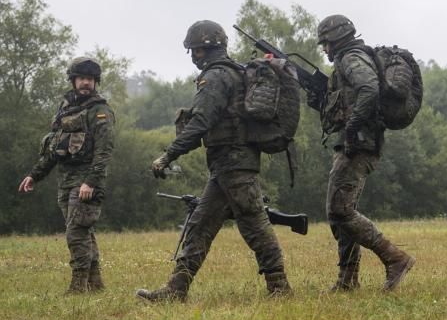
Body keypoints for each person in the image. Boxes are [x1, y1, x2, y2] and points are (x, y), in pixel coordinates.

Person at [137, 21, 291, 302]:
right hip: (226, 164)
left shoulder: (217, 76)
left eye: (193, 51)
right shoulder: (233, 72)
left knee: (254, 223)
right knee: (200, 225)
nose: (193, 57)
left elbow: (201, 122)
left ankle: (279, 287)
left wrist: (168, 154)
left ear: (201, 50)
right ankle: (176, 289)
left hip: (234, 162)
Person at [315, 14, 415, 292]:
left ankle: (395, 257)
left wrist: (351, 127)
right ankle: (347, 280)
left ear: (336, 39)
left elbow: (369, 88)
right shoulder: (350, 59)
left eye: (325, 43)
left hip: (359, 142)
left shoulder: (351, 58)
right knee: (341, 211)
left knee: (340, 210)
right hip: (358, 141)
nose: (324, 49)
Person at [18, 57, 116, 293]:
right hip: (66, 181)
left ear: (95, 82)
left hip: (86, 182)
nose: (86, 83)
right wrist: (35, 175)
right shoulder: (66, 108)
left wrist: (90, 182)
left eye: (90, 79)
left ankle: (78, 286)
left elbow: (104, 151)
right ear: (73, 81)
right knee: (83, 232)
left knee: (76, 233)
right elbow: (54, 148)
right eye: (81, 78)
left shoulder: (100, 111)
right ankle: (96, 284)